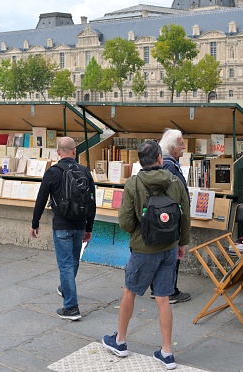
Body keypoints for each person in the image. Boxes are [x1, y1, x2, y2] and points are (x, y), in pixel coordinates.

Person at [102, 140, 190, 370]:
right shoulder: (175, 182)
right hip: (169, 247)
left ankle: (120, 341)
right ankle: (167, 352)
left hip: (143, 248)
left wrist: (138, 231)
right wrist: (182, 243)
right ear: (160, 158)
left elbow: (125, 221)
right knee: (163, 298)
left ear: (140, 161)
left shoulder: (133, 183)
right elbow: (185, 215)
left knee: (129, 291)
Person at [30, 137, 95, 321]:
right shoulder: (84, 171)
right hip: (80, 224)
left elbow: (41, 199)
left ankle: (71, 307)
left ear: (58, 152)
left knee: (65, 264)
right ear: (74, 151)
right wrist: (89, 226)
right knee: (73, 261)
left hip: (61, 225)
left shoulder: (53, 172)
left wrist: (35, 223)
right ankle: (65, 288)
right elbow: (92, 202)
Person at [152, 128, 192, 303]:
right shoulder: (169, 165)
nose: (184, 146)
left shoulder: (167, 163)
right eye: (181, 144)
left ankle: (160, 289)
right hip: (171, 218)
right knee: (171, 257)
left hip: (167, 217)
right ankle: (169, 291)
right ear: (172, 147)